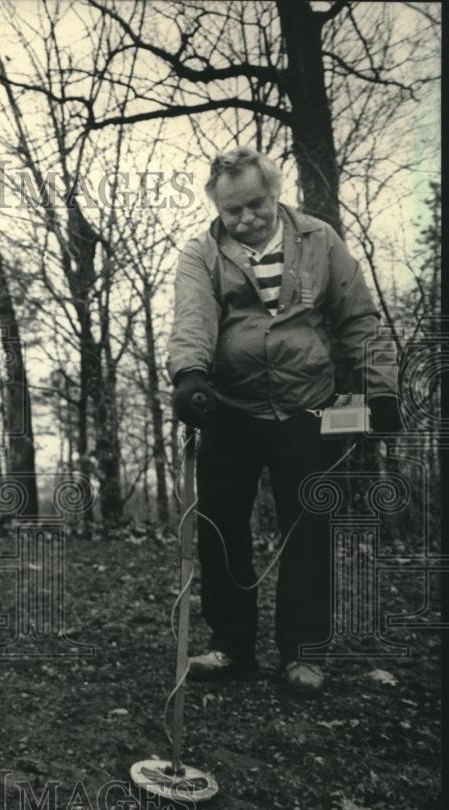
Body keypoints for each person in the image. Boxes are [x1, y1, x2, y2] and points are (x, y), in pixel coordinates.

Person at [167, 147, 401, 695]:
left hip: (308, 406)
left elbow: (358, 318)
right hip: (232, 406)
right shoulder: (200, 254)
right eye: (232, 211)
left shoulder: (320, 240)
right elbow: (193, 318)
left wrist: (381, 390)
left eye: (255, 205)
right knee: (221, 526)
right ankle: (231, 645)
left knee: (308, 529)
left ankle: (303, 655)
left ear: (274, 194)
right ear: (217, 209)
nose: (246, 220)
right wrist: (190, 377)